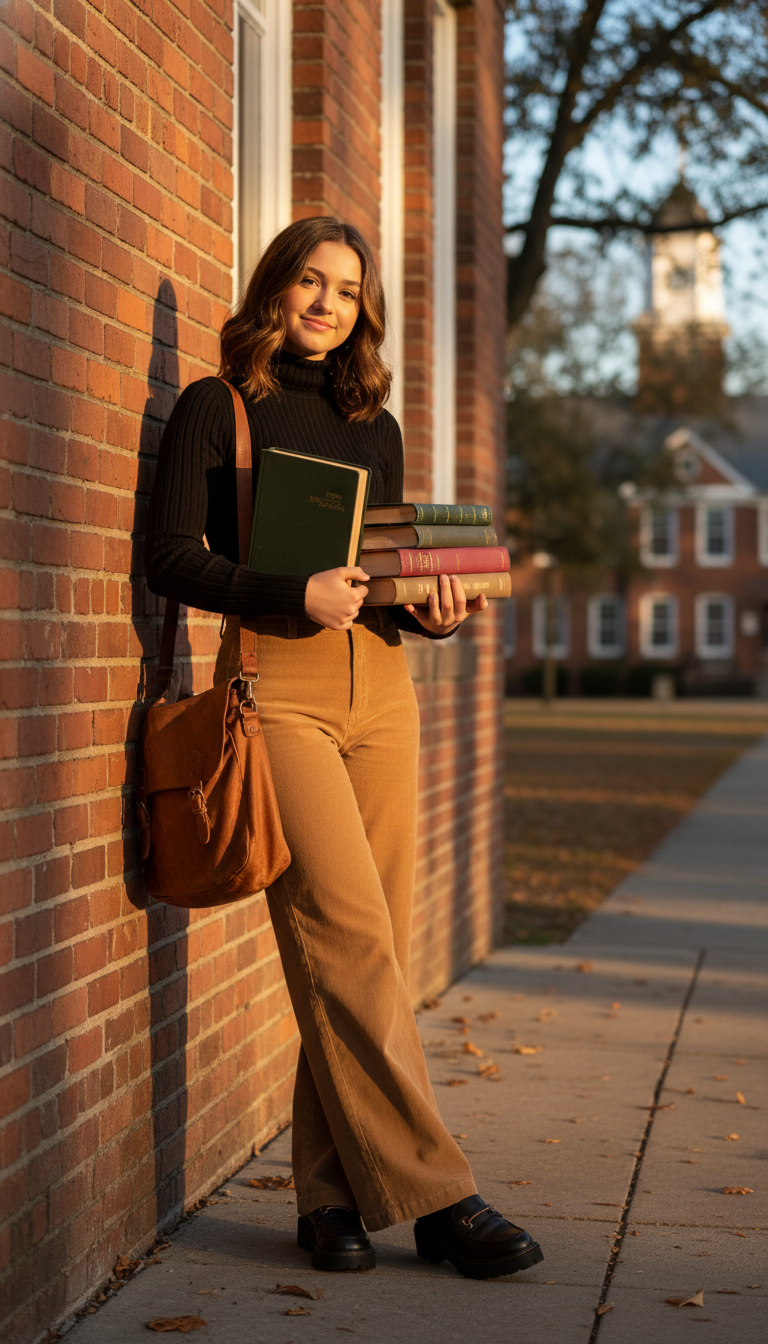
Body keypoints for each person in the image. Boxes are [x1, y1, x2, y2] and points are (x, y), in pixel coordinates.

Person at [145, 216, 543, 1280]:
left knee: (372, 950)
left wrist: (435, 615)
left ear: (364, 308)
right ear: (273, 288)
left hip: (385, 692)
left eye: (347, 289)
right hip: (280, 688)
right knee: (344, 934)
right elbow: (171, 560)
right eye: (309, 281)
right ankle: (441, 1195)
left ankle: (328, 1203)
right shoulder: (215, 407)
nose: (327, 302)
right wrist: (290, 592)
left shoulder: (376, 423)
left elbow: (384, 581)